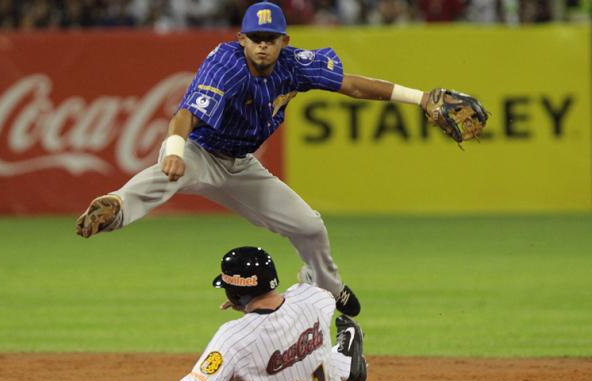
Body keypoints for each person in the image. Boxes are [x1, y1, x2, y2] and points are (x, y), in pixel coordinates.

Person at [76, 0, 445, 317]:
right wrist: (173, 150)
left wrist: (421, 97)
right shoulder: (227, 65)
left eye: (271, 39)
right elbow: (185, 115)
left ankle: (327, 287)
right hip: (200, 150)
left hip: (241, 166)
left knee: (310, 226)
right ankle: (116, 208)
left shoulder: (295, 64)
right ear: (242, 39)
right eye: (255, 38)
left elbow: (352, 85)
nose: (263, 46)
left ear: (285, 41)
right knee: (167, 173)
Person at [181, 246, 367, 381]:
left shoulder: (234, 336)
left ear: (234, 293)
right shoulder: (312, 298)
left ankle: (344, 361)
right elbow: (347, 303)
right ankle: (345, 360)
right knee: (311, 357)